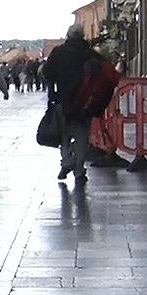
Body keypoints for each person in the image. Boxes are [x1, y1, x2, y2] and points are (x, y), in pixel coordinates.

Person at [42, 23, 101, 186]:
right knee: (82, 134)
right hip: (85, 100)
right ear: (82, 36)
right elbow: (103, 69)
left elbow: (47, 73)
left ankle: (67, 161)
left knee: (64, 134)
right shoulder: (89, 54)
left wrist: (52, 91)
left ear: (68, 36)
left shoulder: (59, 52)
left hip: (63, 98)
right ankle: (79, 169)